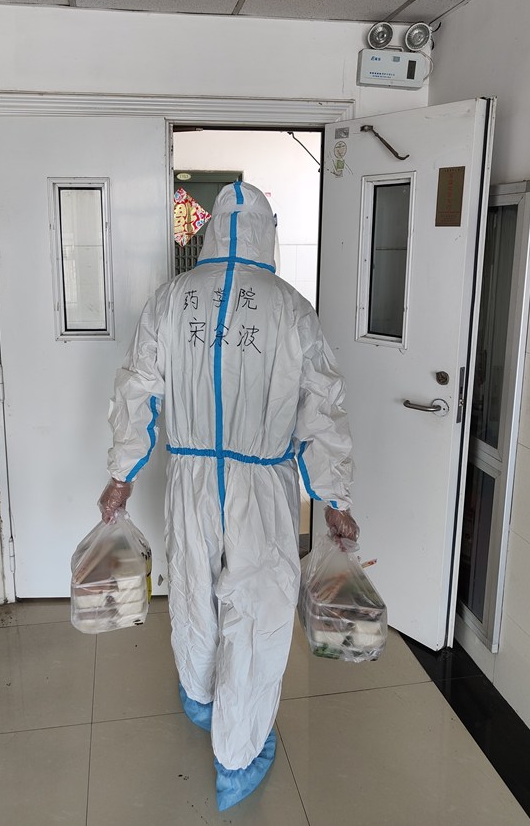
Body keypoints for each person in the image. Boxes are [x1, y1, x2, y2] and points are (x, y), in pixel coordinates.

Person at [99, 181, 357, 810]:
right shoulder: (291, 308)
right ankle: (237, 756)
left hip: (190, 482)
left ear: (212, 229)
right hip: (262, 488)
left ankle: (199, 697)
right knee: (256, 614)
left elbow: (137, 389)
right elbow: (321, 409)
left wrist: (122, 473)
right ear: (269, 234)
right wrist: (334, 498)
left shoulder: (171, 300)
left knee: (193, 592)